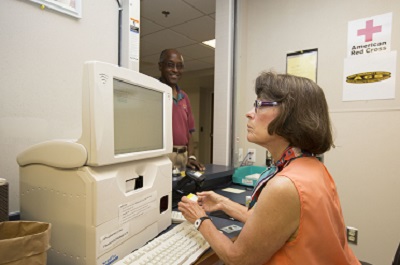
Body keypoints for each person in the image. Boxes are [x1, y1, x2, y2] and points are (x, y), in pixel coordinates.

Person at [178, 72, 361, 264]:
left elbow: (238, 258)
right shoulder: (311, 167)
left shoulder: (285, 185)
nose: (249, 113)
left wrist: (199, 220)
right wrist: (223, 203)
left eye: (259, 105)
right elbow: (269, 222)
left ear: (290, 116)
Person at [158, 48, 205, 172]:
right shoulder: (154, 92)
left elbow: (189, 133)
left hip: (183, 157)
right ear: (160, 66)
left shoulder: (184, 97)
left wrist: (191, 156)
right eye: (170, 65)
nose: (175, 70)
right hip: (163, 157)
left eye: (179, 66)